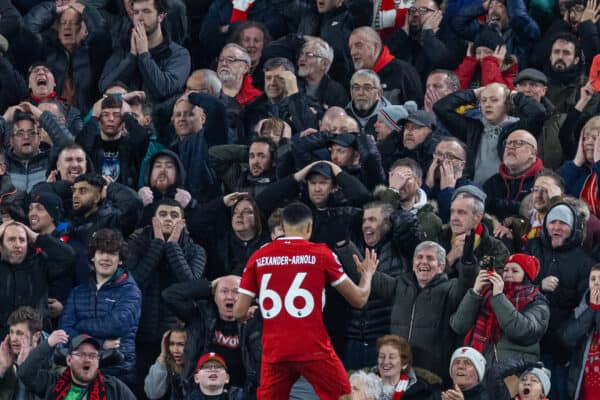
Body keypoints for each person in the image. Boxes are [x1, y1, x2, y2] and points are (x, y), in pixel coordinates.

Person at [233, 201, 379, 399]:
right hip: (312, 348)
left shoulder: (258, 256)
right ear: (309, 227)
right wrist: (368, 274)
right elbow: (359, 299)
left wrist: (257, 311)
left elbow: (239, 312)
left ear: (283, 227)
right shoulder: (321, 254)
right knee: (344, 396)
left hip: (275, 351)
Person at [337, 238, 478, 383]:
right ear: (413, 264)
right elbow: (368, 277)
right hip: (399, 372)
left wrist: (467, 262)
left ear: (441, 267)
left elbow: (466, 285)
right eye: (419, 257)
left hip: (432, 375)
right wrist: (343, 244)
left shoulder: (451, 288)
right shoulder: (399, 285)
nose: (423, 262)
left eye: (430, 258)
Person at [128, 198, 206, 388]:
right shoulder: (137, 246)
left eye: (174, 215)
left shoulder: (196, 251)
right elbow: (134, 283)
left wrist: (171, 246)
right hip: (141, 333)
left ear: (183, 223)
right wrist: (157, 245)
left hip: (176, 337)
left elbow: (191, 285)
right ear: (153, 220)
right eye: (162, 214)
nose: (168, 219)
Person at [59, 228, 142, 385]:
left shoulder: (131, 291)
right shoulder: (78, 292)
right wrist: (100, 343)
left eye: (111, 253)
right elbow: (65, 331)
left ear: (121, 260)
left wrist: (81, 325)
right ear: (92, 257)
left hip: (117, 370)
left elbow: (116, 326)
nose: (105, 258)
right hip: (80, 370)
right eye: (101, 252)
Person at [162, 274, 261, 395]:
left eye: (237, 292)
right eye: (224, 291)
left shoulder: (256, 318)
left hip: (245, 392)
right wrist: (207, 286)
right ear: (214, 295)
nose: (230, 297)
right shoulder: (199, 315)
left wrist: (258, 304)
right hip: (199, 392)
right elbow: (169, 296)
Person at [450, 253, 550, 364]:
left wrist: (498, 297)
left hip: (512, 370)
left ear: (526, 275)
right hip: (476, 365)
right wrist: (475, 292)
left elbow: (524, 332)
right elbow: (459, 326)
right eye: (506, 270)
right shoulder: (486, 293)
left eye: (515, 271)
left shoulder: (536, 300)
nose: (508, 274)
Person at [99, 0, 191, 105]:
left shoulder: (179, 54)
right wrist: (132, 57)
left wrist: (144, 55)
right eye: (136, 12)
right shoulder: (124, 50)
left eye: (146, 11)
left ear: (160, 16)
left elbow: (164, 90)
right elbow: (104, 87)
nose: (140, 18)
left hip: (159, 118)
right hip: (126, 117)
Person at [0, 220, 74, 337]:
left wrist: (36, 237)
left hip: (36, 337)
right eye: (11, 239)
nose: (18, 244)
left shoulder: (39, 262)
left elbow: (68, 256)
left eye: (22, 240)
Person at [18, 332, 136, 399]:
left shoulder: (114, 387)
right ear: (69, 360)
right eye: (81, 354)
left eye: (92, 355)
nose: (87, 360)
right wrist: (48, 343)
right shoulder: (53, 383)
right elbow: (25, 374)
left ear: (98, 361)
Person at [559, 264, 600, 400]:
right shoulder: (582, 307)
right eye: (593, 279)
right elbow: (567, 338)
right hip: (584, 387)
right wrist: (592, 309)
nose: (597, 283)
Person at [373, 335, 441, 400]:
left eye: (392, 357)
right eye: (382, 356)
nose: (385, 362)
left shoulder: (420, 391)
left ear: (404, 363)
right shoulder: (364, 384)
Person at [0, 307, 44, 400]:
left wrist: (26, 368)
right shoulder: (3, 355)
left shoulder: (51, 360)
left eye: (19, 333)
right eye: (11, 332)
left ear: (36, 336)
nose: (13, 338)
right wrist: (2, 369)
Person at [144, 325, 187, 400]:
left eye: (181, 344)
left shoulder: (202, 367)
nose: (175, 350)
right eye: (171, 344)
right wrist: (163, 355)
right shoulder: (167, 364)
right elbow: (153, 394)